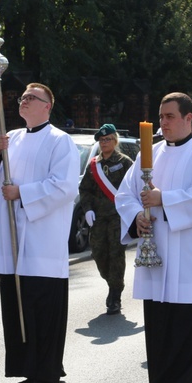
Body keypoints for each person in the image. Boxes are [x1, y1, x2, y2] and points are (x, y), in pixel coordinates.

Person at [116, 92, 192, 383]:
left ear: (188, 119)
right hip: (158, 267)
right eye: (160, 116)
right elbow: (123, 195)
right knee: (165, 344)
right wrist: (137, 216)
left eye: (169, 116)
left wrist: (163, 199)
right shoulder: (148, 155)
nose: (162, 122)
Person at [0, 83, 79, 383]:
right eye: (22, 97)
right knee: (17, 307)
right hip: (12, 241)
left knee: (42, 310)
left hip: (42, 242)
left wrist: (23, 193)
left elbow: (64, 187)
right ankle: (26, 369)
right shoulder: (12, 139)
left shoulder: (61, 141)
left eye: (32, 98)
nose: (25, 101)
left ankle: (44, 372)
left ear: (48, 105)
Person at [78, 123, 133, 315]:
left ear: (115, 140)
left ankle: (115, 295)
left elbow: (134, 185)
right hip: (99, 218)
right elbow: (84, 189)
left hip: (118, 217)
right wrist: (87, 210)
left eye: (108, 139)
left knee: (116, 254)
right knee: (99, 254)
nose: (104, 142)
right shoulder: (94, 165)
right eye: (101, 140)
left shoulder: (125, 162)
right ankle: (112, 282)